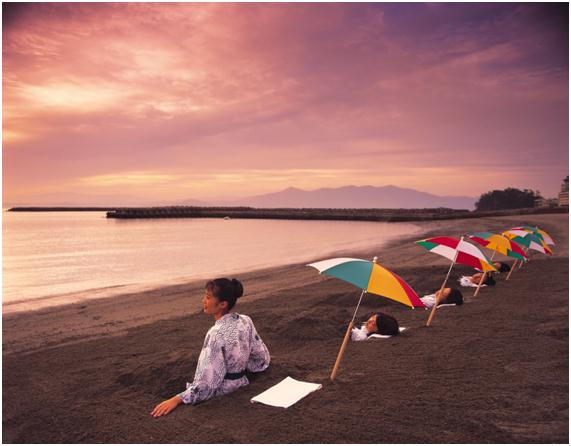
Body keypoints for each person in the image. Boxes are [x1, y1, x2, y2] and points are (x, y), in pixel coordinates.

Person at [151, 278, 270, 418]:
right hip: (243, 381)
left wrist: (176, 399)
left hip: (226, 389)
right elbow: (261, 358)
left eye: (208, 297)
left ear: (222, 304)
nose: (203, 301)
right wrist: (244, 369)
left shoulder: (215, 333)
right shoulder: (245, 320)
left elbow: (206, 384)